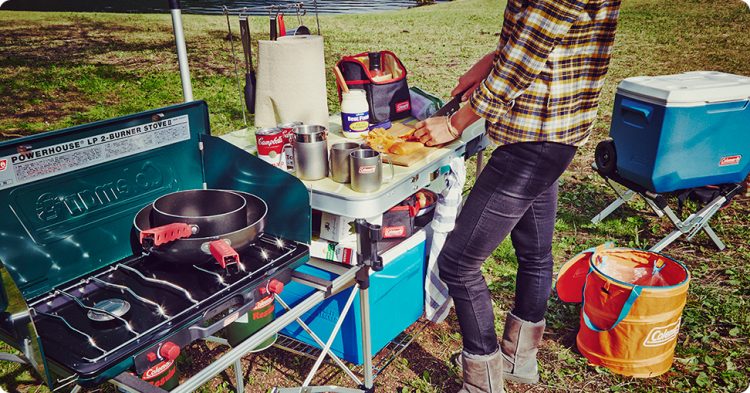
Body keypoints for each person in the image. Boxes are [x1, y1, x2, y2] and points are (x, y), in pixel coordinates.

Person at [413, 1, 623, 391]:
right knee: (534, 251)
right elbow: (541, 39)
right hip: (557, 131)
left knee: (458, 262)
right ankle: (517, 360)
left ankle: (483, 383)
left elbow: (522, 61)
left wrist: (456, 123)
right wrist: (488, 62)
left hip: (535, 138)